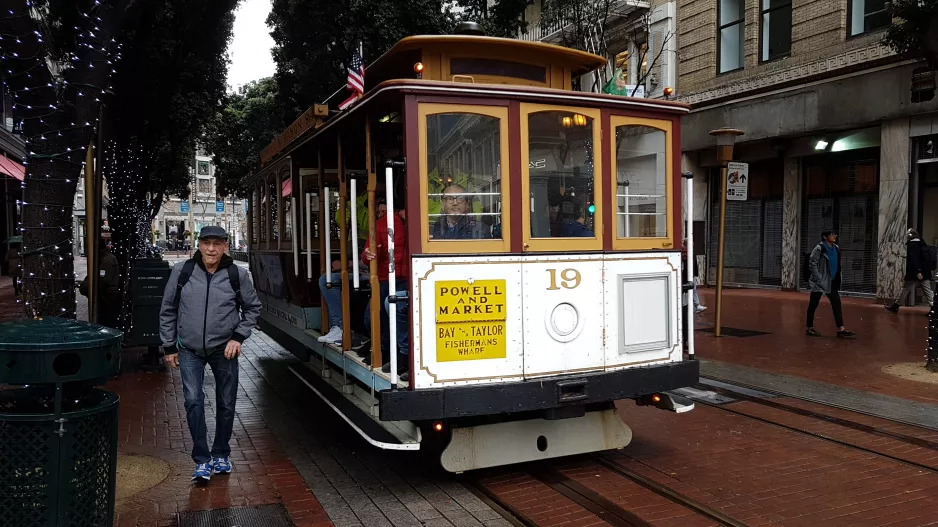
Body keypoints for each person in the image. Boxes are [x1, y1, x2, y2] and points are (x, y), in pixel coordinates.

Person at [159, 226, 261, 483]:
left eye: (217, 243)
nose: (211, 249)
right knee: (193, 401)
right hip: (189, 349)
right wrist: (169, 346)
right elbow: (168, 309)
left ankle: (221, 454)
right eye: (206, 243)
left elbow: (252, 309)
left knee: (226, 402)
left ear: (226, 245)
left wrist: (238, 337)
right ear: (199, 244)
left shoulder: (237, 274)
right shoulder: (182, 271)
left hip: (223, 349)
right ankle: (202, 460)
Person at [363, 204, 409, 377]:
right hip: (385, 278)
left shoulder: (421, 220)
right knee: (374, 317)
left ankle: (400, 356)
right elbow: (368, 252)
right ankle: (385, 351)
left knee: (399, 317)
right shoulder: (383, 224)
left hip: (408, 278)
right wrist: (367, 255)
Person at [805, 230, 855, 338]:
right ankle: (809, 328)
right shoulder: (819, 248)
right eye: (832, 235)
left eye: (835, 234)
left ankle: (841, 329)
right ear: (825, 237)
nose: (834, 236)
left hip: (831, 281)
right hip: (820, 282)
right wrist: (818, 278)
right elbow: (812, 263)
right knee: (813, 304)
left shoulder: (836, 248)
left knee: (836, 303)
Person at [886, 228, 934, 314]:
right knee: (928, 291)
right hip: (924, 271)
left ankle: (896, 306)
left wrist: (918, 271)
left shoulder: (912, 245)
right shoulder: (922, 243)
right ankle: (934, 309)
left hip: (915, 272)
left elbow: (915, 259)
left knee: (905, 289)